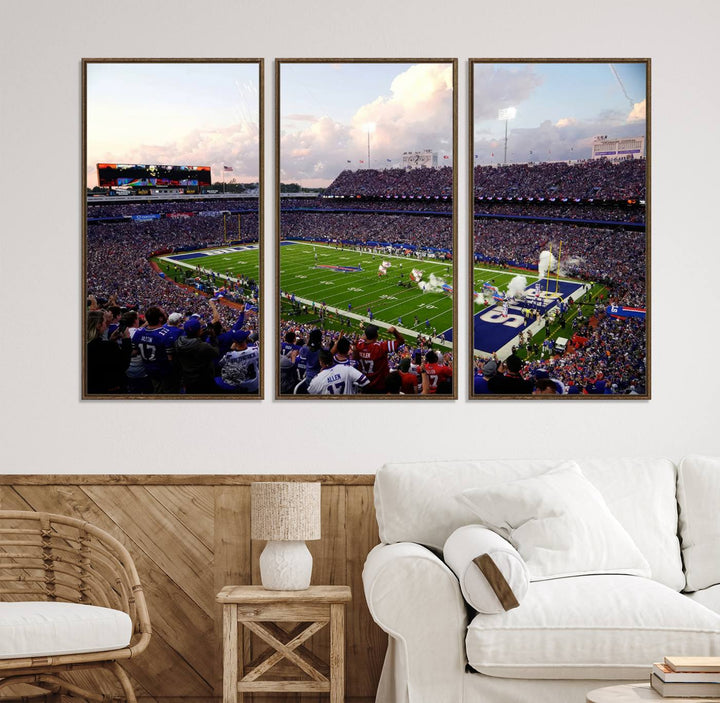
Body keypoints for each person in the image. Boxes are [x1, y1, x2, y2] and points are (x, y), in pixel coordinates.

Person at [86, 310, 131, 394]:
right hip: (108, 389)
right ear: (98, 326)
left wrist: (111, 340)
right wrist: (126, 339)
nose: (105, 324)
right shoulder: (106, 346)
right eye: (104, 322)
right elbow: (124, 364)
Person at [354, 324, 404, 393]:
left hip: (365, 384)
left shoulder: (359, 345)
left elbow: (362, 339)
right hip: (380, 385)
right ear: (377, 336)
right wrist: (394, 331)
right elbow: (401, 341)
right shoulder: (380, 347)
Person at [174, 318, 218, 394]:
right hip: (202, 379)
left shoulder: (178, 342)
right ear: (199, 331)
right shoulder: (202, 346)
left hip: (187, 377)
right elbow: (216, 352)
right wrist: (213, 338)